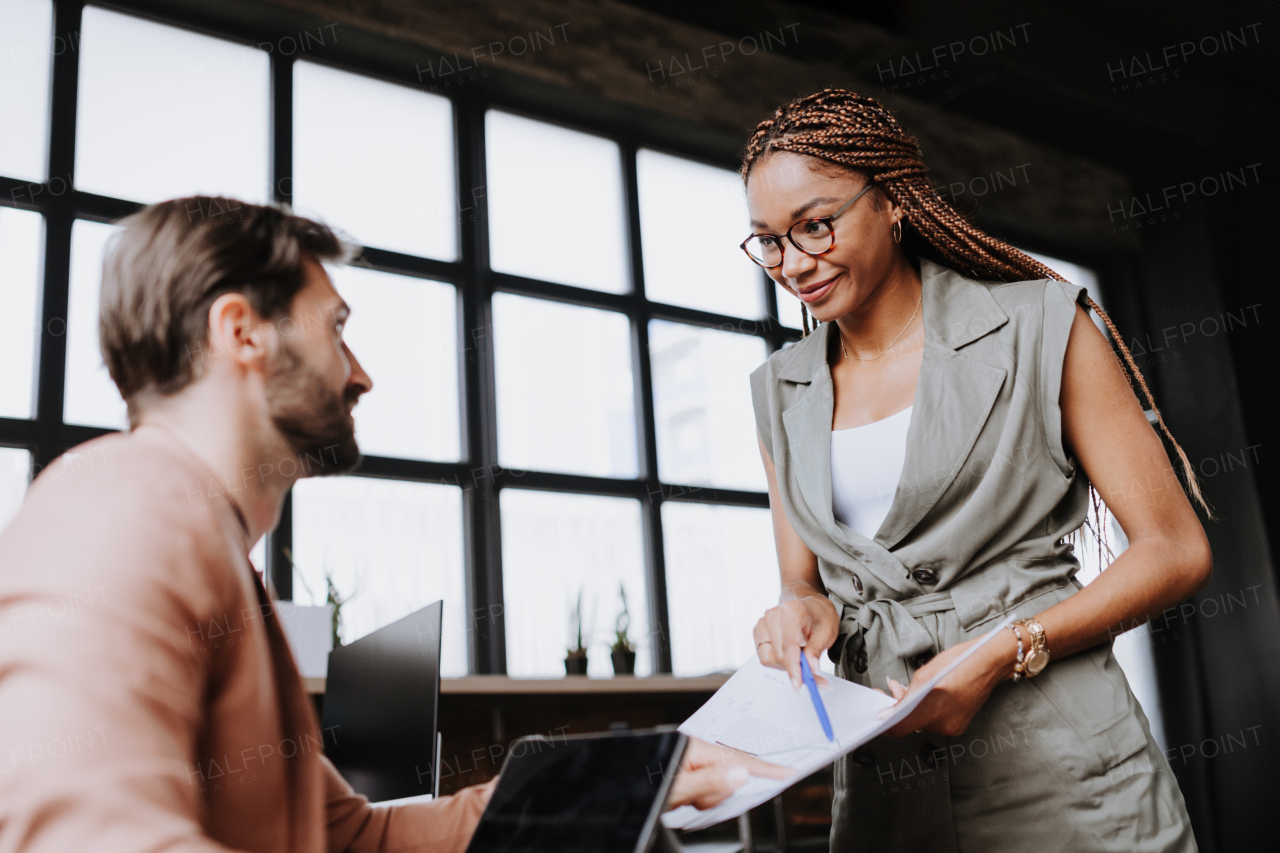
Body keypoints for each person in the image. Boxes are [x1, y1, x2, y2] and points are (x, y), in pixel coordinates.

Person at [0, 198, 784, 853]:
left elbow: (355, 838)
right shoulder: (115, 505)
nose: (361, 372)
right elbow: (79, 834)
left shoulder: (213, 551)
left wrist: (626, 781)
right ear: (242, 331)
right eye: (335, 327)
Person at [744, 90, 1211, 852]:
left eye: (815, 225)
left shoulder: (1041, 322)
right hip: (885, 784)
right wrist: (801, 611)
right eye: (767, 241)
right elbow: (805, 577)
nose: (793, 264)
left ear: (893, 202)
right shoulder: (779, 389)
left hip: (1063, 767)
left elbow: (1176, 549)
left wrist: (1005, 645)